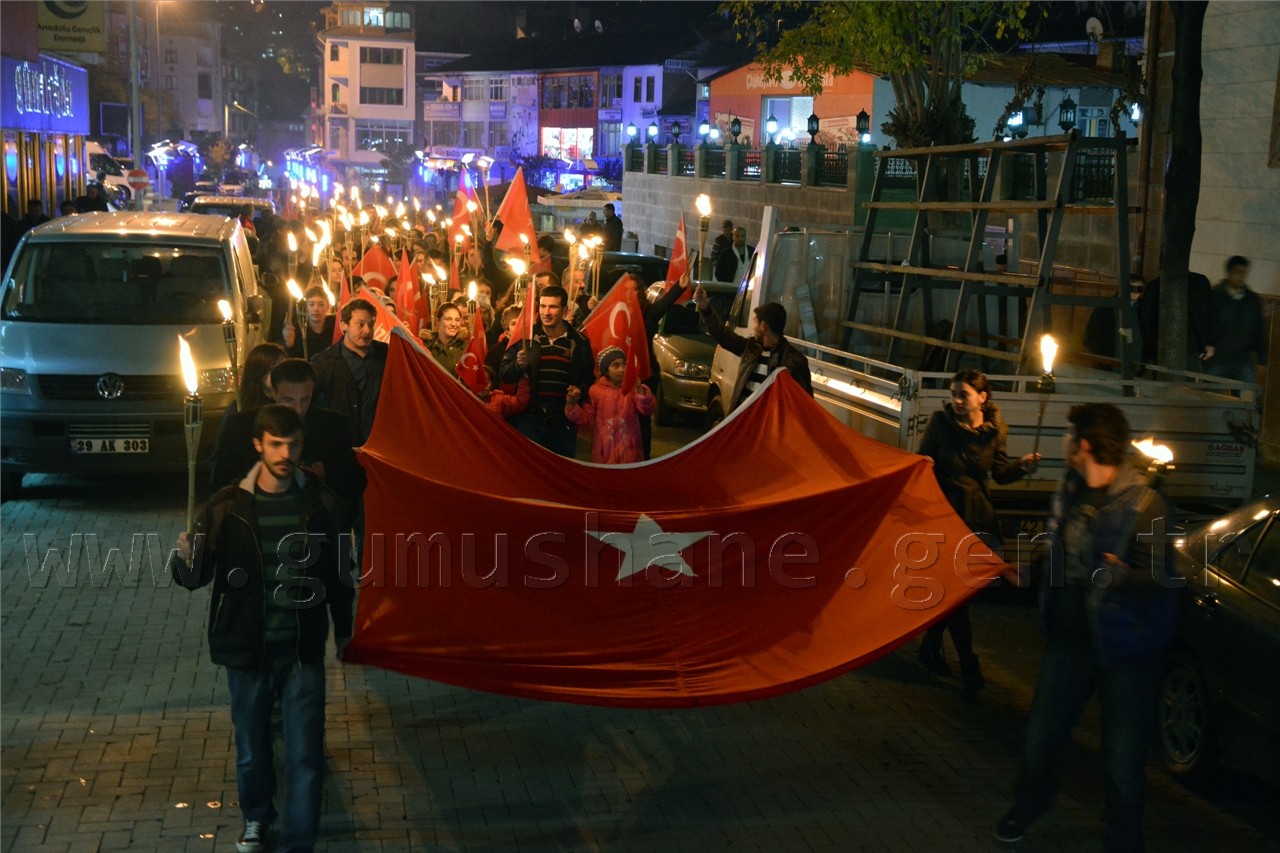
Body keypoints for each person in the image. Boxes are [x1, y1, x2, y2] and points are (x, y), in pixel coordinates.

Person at [170, 404, 353, 853]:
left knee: (305, 754)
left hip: (301, 649)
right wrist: (185, 557)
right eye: (275, 444)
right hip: (247, 649)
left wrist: (345, 632)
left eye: (293, 445)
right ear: (258, 445)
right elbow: (195, 579)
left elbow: (340, 577)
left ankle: (298, 842)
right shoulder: (229, 506)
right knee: (252, 748)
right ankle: (257, 818)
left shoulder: (321, 503)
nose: (285, 453)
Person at [995, 403, 1178, 851]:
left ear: (1086, 445)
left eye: (1070, 435)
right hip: (1069, 642)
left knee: (1121, 756)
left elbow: (1162, 576)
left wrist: (1123, 576)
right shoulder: (1070, 487)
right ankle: (1029, 806)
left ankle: (1124, 839)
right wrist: (1032, 572)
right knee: (1042, 735)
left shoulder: (1144, 502)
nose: (1065, 443)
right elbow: (1058, 549)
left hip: (1124, 650)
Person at [916, 370, 1040, 701]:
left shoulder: (996, 430)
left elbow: (999, 473)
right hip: (944, 514)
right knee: (955, 592)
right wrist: (924, 464)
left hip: (977, 517)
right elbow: (921, 460)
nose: (956, 401)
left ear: (982, 397)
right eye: (954, 394)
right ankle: (969, 666)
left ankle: (930, 647)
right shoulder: (939, 424)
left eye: (964, 395)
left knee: (959, 592)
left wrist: (1022, 467)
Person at [209, 359, 364, 517]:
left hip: (313, 526)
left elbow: (356, 482)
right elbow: (221, 482)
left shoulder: (332, 426)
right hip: (258, 521)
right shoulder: (242, 426)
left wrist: (326, 475)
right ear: (273, 392)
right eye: (288, 400)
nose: (298, 409)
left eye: (305, 399)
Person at [499, 284, 594, 457]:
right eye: (543, 306)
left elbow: (588, 379)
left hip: (562, 424)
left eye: (553, 307)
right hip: (530, 421)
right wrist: (518, 365)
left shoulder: (578, 342)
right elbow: (505, 374)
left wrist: (579, 391)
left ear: (564, 310)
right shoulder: (526, 337)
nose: (546, 312)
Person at [693, 287, 812, 411]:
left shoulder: (794, 361)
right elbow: (723, 335)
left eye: (755, 322)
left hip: (766, 427)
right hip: (745, 423)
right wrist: (705, 307)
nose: (753, 327)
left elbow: (804, 406)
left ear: (763, 326)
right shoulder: (752, 349)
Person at [311, 298, 387, 445]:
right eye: (360, 324)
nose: (367, 330)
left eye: (371, 325)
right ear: (344, 325)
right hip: (341, 446)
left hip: (380, 445)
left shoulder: (386, 355)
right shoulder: (324, 363)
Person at [566, 346, 655, 464]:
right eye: (615, 365)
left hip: (630, 452)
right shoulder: (595, 391)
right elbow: (586, 418)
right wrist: (571, 405)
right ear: (606, 370)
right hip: (605, 453)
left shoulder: (631, 389)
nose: (622, 369)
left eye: (624, 364)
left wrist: (640, 390)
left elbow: (647, 409)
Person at [1203, 255, 1266, 392]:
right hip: (1218, 356)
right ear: (1229, 272)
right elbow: (1207, 324)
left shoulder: (1252, 300)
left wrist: (1261, 359)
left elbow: (1259, 330)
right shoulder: (1215, 297)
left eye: (1244, 273)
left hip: (1242, 358)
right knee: (1212, 399)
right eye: (1238, 272)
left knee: (1245, 401)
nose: (1241, 277)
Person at [282, 285, 336, 361]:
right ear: (306, 307)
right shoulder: (297, 329)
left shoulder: (334, 326)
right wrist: (289, 345)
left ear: (328, 307)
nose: (316, 309)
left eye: (321, 304)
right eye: (311, 304)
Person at [422, 302, 467, 375]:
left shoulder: (465, 348)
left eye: (457, 320)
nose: (453, 324)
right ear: (438, 321)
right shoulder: (425, 345)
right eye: (448, 319)